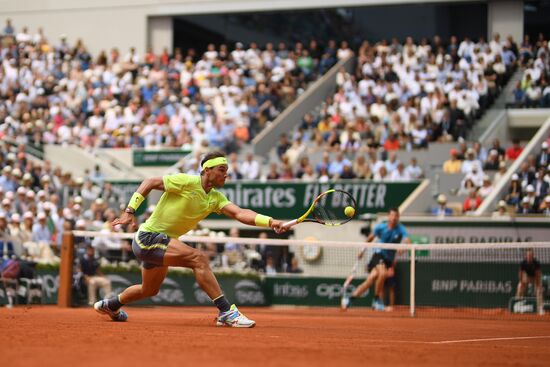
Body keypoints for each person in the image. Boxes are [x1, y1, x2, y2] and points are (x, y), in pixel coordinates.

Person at [94, 151, 288, 327]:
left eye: (227, 170)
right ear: (207, 170)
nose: (226, 174)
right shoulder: (186, 181)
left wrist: (270, 221)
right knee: (198, 258)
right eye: (221, 169)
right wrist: (130, 211)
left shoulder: (216, 198)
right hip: (148, 237)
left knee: (149, 289)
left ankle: (111, 305)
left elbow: (240, 213)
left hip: (161, 244)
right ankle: (226, 312)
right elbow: (150, 182)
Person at [341, 208, 410, 311]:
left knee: (370, 280)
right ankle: (377, 299)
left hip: (388, 260)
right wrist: (362, 250)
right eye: (392, 215)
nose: (394, 218)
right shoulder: (381, 227)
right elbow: (370, 239)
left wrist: (403, 248)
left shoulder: (401, 229)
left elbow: (408, 242)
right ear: (388, 216)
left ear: (398, 217)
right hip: (378, 254)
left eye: (396, 216)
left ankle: (350, 298)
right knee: (382, 273)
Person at [515, 248, 544, 315]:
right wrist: (522, 282)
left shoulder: (536, 263)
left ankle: (540, 309)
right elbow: (520, 274)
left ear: (532, 256)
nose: (529, 257)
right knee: (519, 287)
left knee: (539, 290)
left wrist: (537, 285)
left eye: (530, 255)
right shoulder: (523, 263)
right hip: (527, 276)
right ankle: (517, 306)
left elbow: (538, 275)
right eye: (528, 255)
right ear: (526, 256)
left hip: (535, 277)